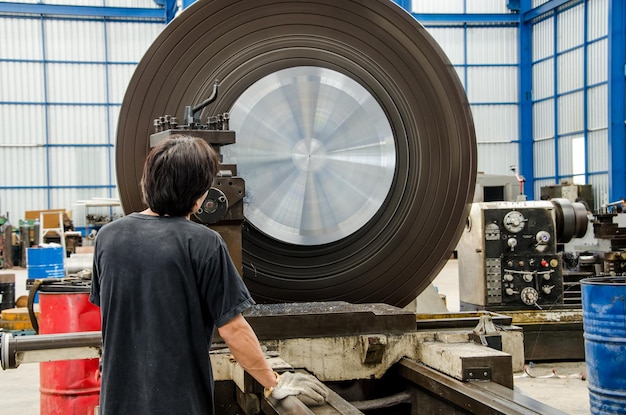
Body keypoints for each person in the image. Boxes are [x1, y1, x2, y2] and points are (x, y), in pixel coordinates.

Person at [90, 135, 326, 414]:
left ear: (148, 180)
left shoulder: (107, 238)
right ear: (200, 193)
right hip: (180, 405)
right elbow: (234, 330)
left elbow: (112, 315)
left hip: (117, 403)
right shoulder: (203, 242)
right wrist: (273, 384)